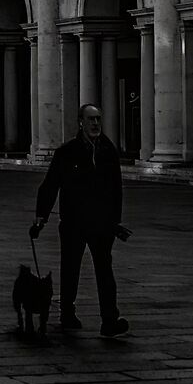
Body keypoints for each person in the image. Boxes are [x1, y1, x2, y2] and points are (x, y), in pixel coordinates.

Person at [33, 102, 130, 336]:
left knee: (105, 272)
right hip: (74, 222)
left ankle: (109, 320)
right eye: (91, 119)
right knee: (70, 269)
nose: (95, 123)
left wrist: (115, 222)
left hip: (102, 224)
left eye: (98, 119)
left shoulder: (108, 150)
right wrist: (40, 218)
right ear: (81, 122)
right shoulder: (67, 152)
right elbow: (50, 185)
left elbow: (116, 190)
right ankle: (67, 312)